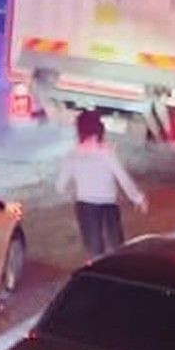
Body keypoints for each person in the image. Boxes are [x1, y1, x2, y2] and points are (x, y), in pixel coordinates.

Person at [56, 111, 148, 259]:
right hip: (108, 206)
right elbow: (122, 177)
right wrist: (138, 198)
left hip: (85, 207)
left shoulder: (73, 156)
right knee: (117, 251)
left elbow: (60, 186)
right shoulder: (107, 153)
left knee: (95, 254)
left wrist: (75, 193)